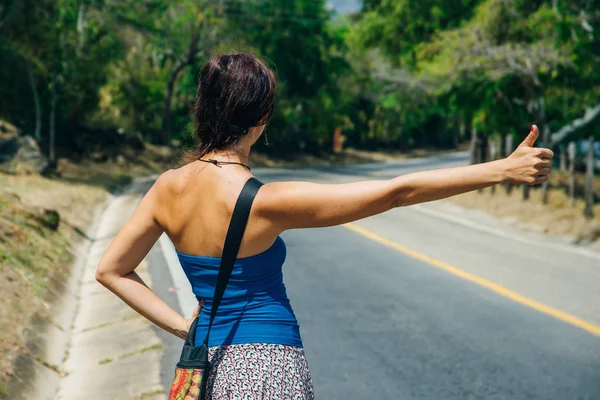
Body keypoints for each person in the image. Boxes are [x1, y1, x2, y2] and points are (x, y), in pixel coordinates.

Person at [96, 52, 553, 399]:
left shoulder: (166, 187)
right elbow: (396, 192)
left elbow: (111, 270)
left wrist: (182, 326)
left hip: (202, 374)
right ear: (260, 120)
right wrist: (502, 170)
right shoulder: (264, 201)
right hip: (268, 370)